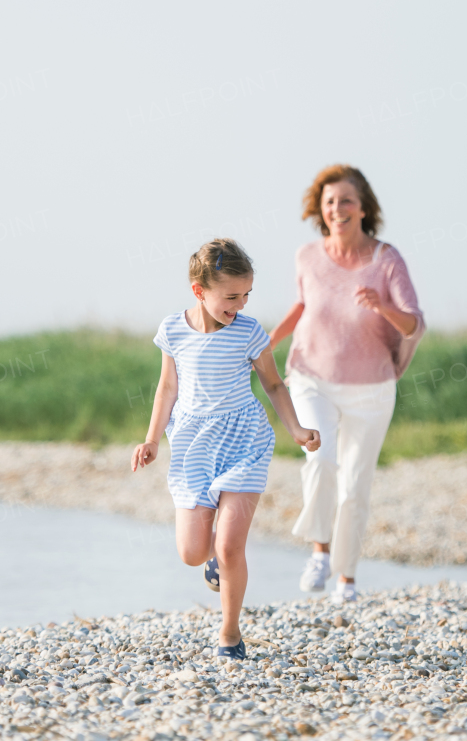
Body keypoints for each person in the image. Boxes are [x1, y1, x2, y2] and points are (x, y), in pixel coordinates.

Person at [131, 238, 320, 659]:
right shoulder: (173, 330)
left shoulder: (249, 332)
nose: (240, 304)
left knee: (232, 543)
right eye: (231, 296)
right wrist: (151, 439)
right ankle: (214, 557)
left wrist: (297, 428)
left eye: (246, 294)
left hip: (244, 441)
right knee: (192, 552)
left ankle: (230, 634)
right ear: (200, 291)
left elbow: (273, 384)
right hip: (192, 446)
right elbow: (167, 388)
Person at [269, 165, 425, 603]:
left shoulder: (386, 259)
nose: (338, 208)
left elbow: (414, 323)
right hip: (311, 377)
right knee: (320, 458)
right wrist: (267, 343)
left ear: (363, 208)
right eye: (330, 201)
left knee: (355, 486)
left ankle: (346, 580)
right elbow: (301, 306)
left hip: (371, 390)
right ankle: (319, 550)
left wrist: (382, 307)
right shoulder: (307, 256)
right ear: (321, 210)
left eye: (346, 200)